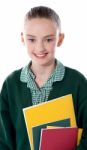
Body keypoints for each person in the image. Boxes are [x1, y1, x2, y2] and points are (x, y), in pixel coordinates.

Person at [0, 6, 87, 150]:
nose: (40, 48)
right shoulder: (11, 84)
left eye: (48, 39)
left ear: (60, 39)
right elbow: (3, 140)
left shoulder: (77, 83)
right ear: (23, 38)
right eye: (32, 39)